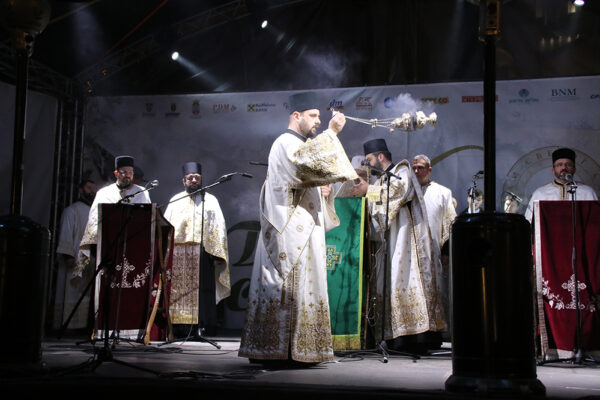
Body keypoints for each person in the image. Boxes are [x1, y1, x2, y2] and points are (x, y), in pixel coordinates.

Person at [238, 91, 357, 366]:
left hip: (305, 227)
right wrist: (331, 133)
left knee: (306, 285)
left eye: (319, 116)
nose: (318, 120)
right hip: (288, 230)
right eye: (313, 115)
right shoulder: (284, 142)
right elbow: (301, 169)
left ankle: (303, 348)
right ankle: (279, 349)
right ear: (296, 115)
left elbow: (309, 175)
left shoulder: (300, 145)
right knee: (285, 286)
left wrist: (324, 190)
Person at [349, 139, 446, 355]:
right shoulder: (382, 180)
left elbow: (398, 192)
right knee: (393, 283)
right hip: (392, 242)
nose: (368, 164)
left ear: (380, 157)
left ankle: (417, 337)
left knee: (408, 282)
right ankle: (397, 337)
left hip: (407, 242)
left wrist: (368, 190)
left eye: (370, 160)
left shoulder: (402, 170)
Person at [163, 162, 230, 337]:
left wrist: (217, 254)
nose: (194, 180)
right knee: (178, 291)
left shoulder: (211, 200)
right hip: (179, 254)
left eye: (197, 178)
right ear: (183, 180)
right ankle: (179, 327)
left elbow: (218, 227)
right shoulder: (175, 200)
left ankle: (203, 326)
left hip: (203, 253)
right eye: (190, 178)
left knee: (203, 291)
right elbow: (166, 226)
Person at [75, 155, 152, 278]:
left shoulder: (142, 192)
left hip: (132, 246)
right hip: (108, 246)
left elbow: (147, 219)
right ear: (116, 173)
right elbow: (94, 221)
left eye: (130, 172)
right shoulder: (104, 193)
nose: (127, 175)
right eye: (124, 172)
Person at [412, 154, 456, 340]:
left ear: (429, 170)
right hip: (412, 255)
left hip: (434, 252)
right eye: (414, 168)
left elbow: (450, 223)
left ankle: (435, 335)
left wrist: (446, 250)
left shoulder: (442, 193)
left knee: (436, 291)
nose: (416, 171)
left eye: (420, 168)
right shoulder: (407, 193)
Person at [54, 179, 97, 330]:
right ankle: (69, 325)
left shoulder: (94, 211)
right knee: (72, 292)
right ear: (80, 190)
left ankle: (82, 326)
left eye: (93, 188)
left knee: (85, 294)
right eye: (88, 188)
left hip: (89, 257)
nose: (92, 191)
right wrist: (68, 256)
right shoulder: (71, 210)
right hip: (75, 256)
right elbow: (66, 232)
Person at [525, 147, 598, 222]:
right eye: (559, 164)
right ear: (553, 170)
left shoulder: (588, 192)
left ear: (574, 169)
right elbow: (529, 222)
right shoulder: (540, 193)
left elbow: (596, 221)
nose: (564, 167)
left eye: (568, 164)